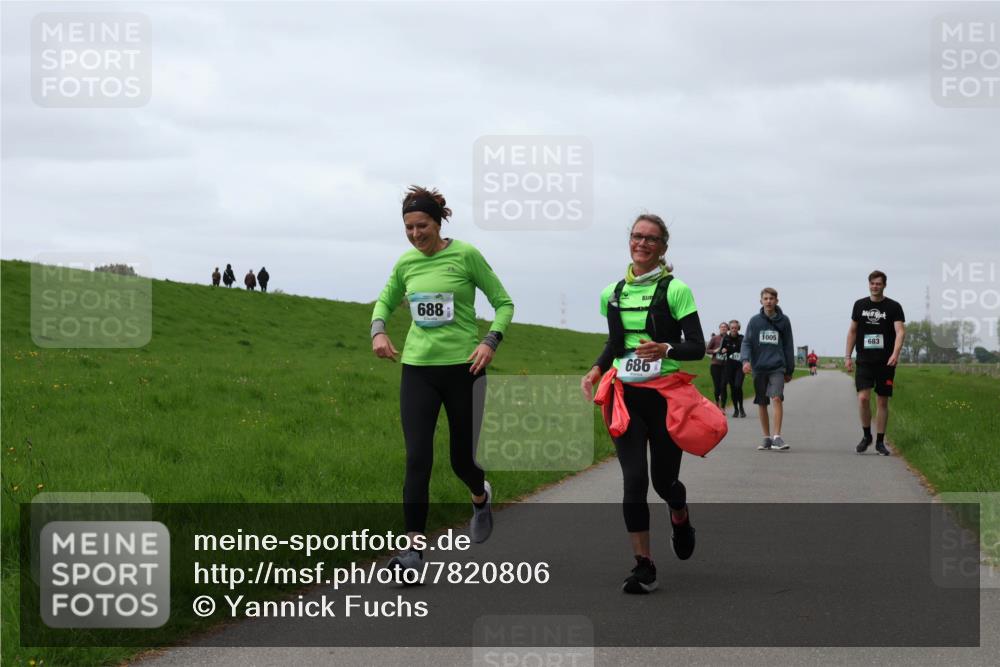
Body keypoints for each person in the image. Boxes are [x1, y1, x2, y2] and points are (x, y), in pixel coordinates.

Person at [371, 185, 514, 576]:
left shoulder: (465, 255)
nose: (416, 234)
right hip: (418, 369)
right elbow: (384, 300)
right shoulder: (406, 264)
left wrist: (490, 341)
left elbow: (504, 303)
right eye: (409, 227)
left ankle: (479, 495)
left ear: (438, 222)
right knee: (417, 458)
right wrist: (379, 331)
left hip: (465, 368)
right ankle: (413, 553)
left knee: (462, 460)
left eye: (422, 226)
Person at [580, 213, 705, 594]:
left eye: (651, 239)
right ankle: (643, 565)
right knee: (633, 481)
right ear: (629, 241)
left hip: (665, 396)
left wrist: (665, 347)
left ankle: (679, 515)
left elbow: (697, 346)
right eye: (637, 236)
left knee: (663, 482)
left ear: (663, 247)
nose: (642, 243)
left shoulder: (675, 290)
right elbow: (615, 344)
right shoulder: (612, 293)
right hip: (626, 396)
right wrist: (597, 369)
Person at [845, 270, 905, 456]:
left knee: (882, 401)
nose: (875, 286)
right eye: (872, 283)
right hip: (864, 360)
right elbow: (853, 331)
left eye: (878, 283)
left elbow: (900, 332)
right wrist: (848, 356)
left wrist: (895, 353)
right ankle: (866, 436)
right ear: (868, 284)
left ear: (884, 285)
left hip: (885, 361)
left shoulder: (893, 307)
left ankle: (880, 441)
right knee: (863, 398)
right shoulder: (860, 305)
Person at [741, 288, 795, 451]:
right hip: (759, 367)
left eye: (772, 298)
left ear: (777, 301)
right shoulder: (754, 321)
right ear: (761, 301)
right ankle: (766, 438)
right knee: (762, 402)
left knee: (777, 398)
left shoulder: (784, 321)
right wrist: (745, 361)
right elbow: (747, 342)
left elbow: (788, 345)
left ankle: (777, 437)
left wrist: (789, 370)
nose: (769, 301)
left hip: (777, 367)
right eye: (765, 298)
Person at [722, 319, 746, 418]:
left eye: (736, 328)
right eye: (732, 328)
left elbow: (747, 349)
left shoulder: (742, 338)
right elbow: (720, 351)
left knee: (738, 386)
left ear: (738, 328)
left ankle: (741, 407)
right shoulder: (726, 339)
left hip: (740, 366)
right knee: (732, 388)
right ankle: (736, 409)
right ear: (729, 329)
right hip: (729, 366)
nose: (734, 330)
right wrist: (722, 350)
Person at [706, 322, 729, 410]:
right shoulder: (715, 338)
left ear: (728, 329)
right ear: (719, 328)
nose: (723, 328)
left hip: (726, 366)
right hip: (715, 365)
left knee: (723, 386)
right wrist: (714, 351)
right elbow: (707, 350)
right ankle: (716, 401)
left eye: (725, 327)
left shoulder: (730, 339)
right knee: (717, 386)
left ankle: (723, 407)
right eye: (722, 327)